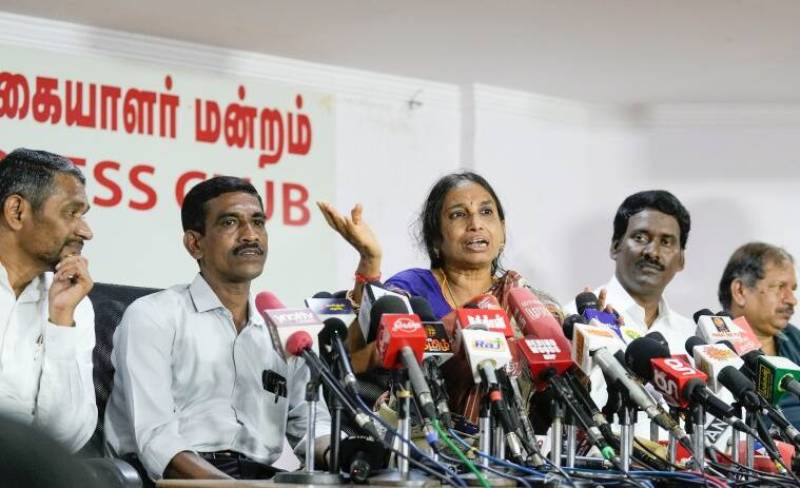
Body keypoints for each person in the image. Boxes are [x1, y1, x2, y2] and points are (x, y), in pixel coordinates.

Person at [105, 176, 331, 482]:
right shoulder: (154, 316)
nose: (250, 235)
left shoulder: (284, 330)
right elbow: (155, 438)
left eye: (258, 222)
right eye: (229, 223)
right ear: (195, 243)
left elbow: (311, 425)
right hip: (174, 478)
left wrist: (345, 453)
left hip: (262, 478)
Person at [318, 171, 555, 417]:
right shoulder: (411, 288)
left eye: (486, 212)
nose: (475, 224)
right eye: (458, 215)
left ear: (502, 231)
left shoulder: (524, 300)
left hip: (511, 444)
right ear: (435, 238)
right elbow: (353, 362)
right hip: (427, 439)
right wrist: (370, 260)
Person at [0, 148, 96, 452]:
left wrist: (61, 321)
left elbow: (65, 439)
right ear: (17, 212)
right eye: (72, 212)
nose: (86, 231)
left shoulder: (73, 303)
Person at [718, 242, 800, 426]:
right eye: (780, 287)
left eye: (792, 289)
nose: (792, 300)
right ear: (740, 291)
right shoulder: (716, 349)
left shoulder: (794, 338)